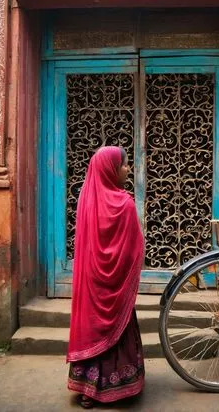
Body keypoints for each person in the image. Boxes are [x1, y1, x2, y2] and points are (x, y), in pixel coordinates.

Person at [67, 146, 145, 409]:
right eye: (124, 165)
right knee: (118, 328)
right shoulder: (124, 204)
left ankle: (88, 389)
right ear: (111, 169)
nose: (127, 169)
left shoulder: (86, 200)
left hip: (92, 285)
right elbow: (133, 249)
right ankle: (120, 386)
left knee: (93, 327)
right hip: (116, 288)